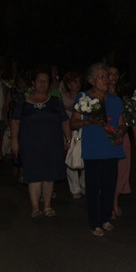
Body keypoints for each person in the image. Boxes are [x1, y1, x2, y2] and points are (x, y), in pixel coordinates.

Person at [70, 63, 126, 236]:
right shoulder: (83, 98)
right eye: (102, 76)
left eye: (107, 76)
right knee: (94, 188)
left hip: (112, 149)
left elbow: (122, 123)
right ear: (92, 80)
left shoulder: (115, 100)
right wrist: (89, 121)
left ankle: (106, 218)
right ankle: (95, 222)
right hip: (94, 150)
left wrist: (121, 134)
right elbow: (73, 122)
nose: (106, 79)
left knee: (110, 186)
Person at [10, 68, 70, 218]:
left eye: (45, 80)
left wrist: (69, 139)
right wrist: (14, 141)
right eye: (39, 80)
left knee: (49, 176)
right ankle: (35, 207)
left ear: (49, 84)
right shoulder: (23, 102)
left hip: (52, 144)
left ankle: (47, 206)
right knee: (34, 175)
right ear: (34, 83)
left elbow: (64, 121)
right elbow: (15, 122)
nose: (42, 83)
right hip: (30, 145)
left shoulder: (55, 102)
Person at [108, 65, 131, 218]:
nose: (113, 77)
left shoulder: (123, 95)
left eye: (116, 73)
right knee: (109, 170)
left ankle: (115, 202)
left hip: (123, 135)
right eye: (110, 74)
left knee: (122, 170)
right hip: (107, 135)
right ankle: (108, 204)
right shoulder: (100, 96)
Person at [61, 71, 85, 200]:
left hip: (82, 130)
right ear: (69, 84)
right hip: (68, 131)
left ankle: (84, 184)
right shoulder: (63, 97)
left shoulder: (84, 96)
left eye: (79, 82)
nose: (78, 84)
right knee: (71, 157)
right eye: (75, 82)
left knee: (84, 156)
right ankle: (74, 188)